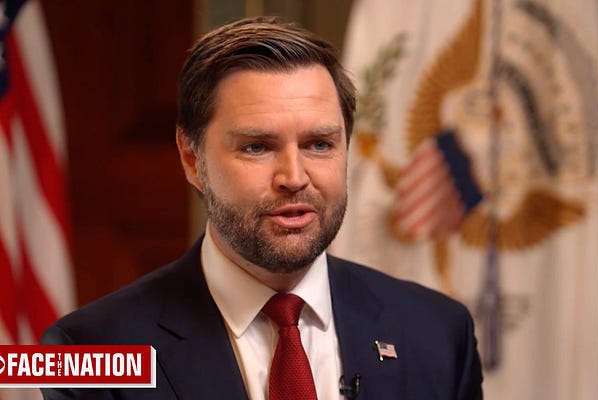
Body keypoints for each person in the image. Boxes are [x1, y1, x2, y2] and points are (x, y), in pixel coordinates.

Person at [41, 16, 483, 400]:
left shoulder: (439, 333)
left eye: (319, 144)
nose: (294, 176)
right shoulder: (87, 352)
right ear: (192, 159)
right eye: (257, 147)